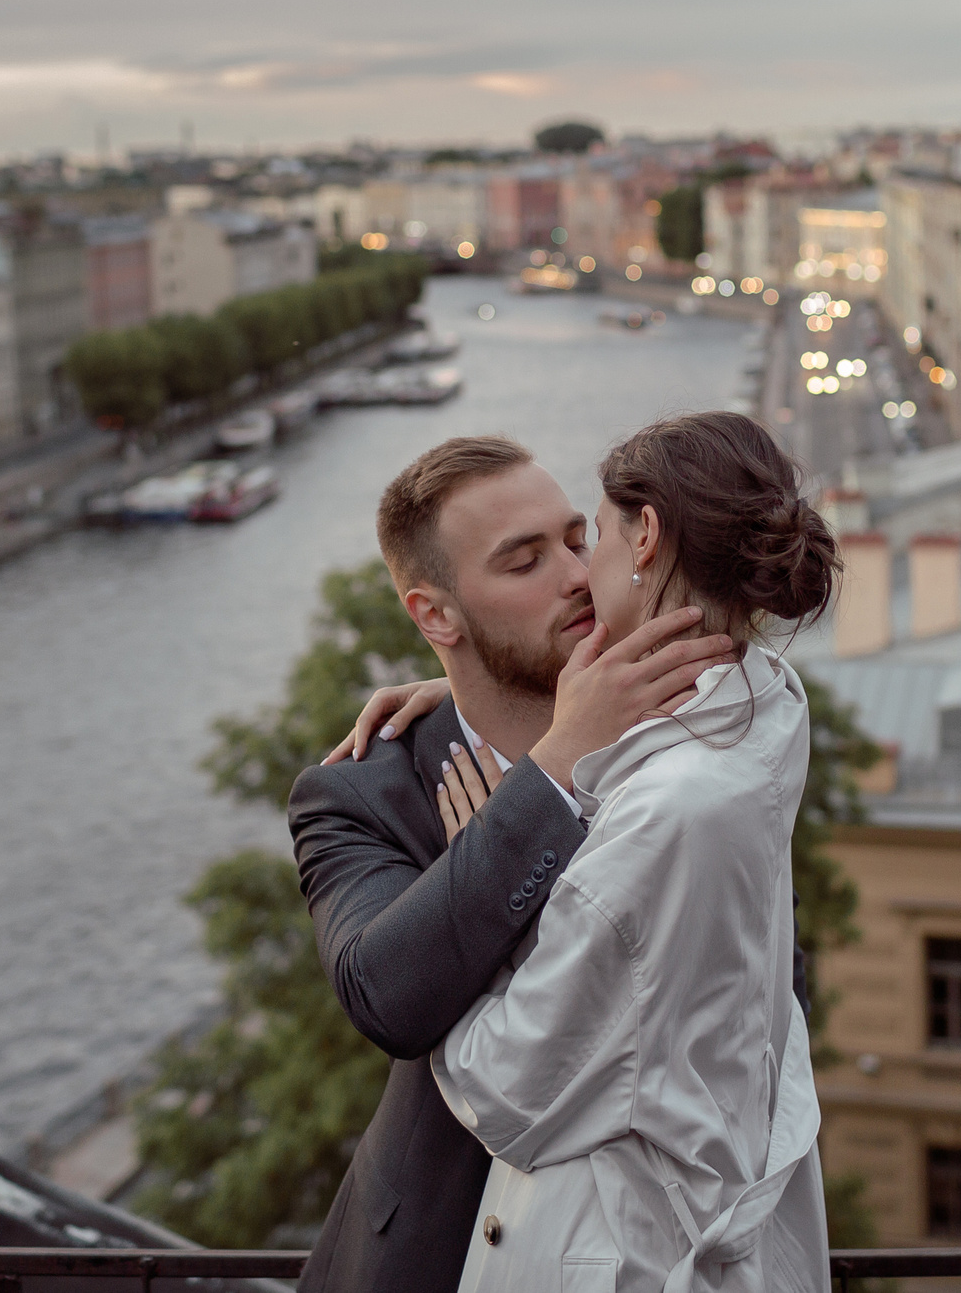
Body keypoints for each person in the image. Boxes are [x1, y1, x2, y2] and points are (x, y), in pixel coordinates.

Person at [288, 435, 739, 1293]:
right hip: (435, 1256)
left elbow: (761, 988)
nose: (577, 575)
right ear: (436, 616)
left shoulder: (684, 744)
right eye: (525, 560)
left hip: (655, 1251)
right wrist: (552, 768)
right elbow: (386, 995)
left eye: (576, 538)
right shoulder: (361, 792)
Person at [426, 410, 837, 1293]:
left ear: (646, 534)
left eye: (596, 537)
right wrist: (454, 686)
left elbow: (504, 1090)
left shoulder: (663, 814)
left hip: (620, 1255)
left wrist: (484, 867)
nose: (582, 573)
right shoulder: (771, 704)